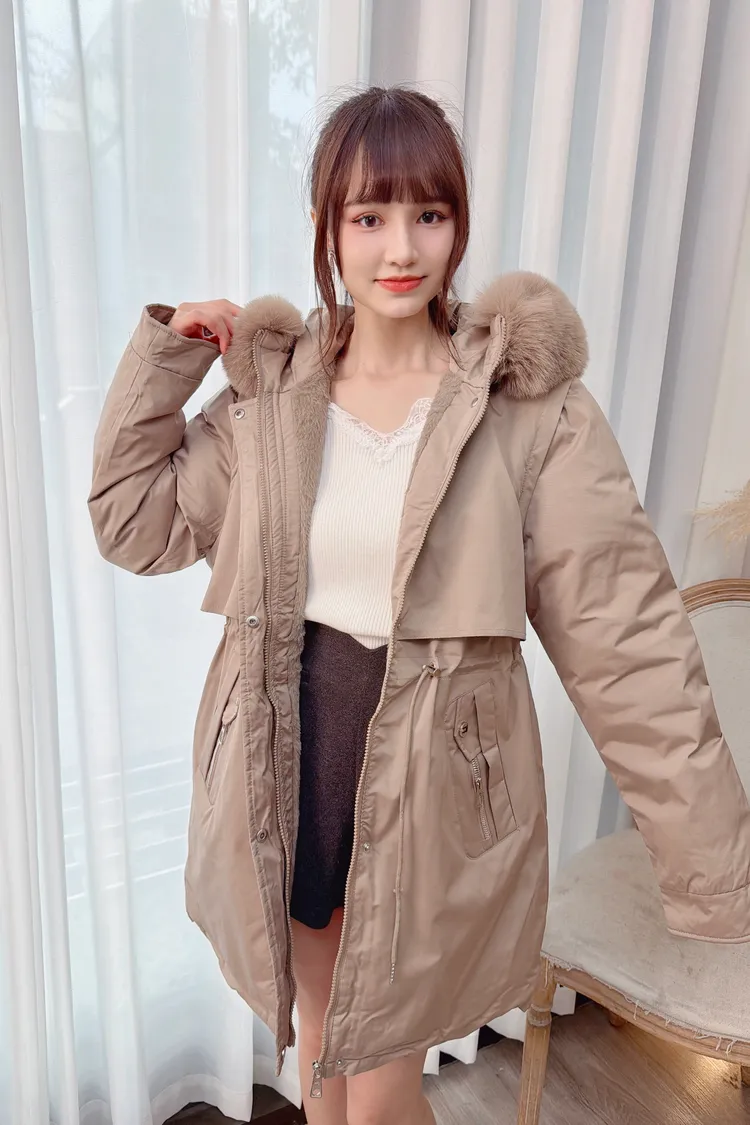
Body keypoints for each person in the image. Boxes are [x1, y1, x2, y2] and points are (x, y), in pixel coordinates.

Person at [87, 86, 750, 1125]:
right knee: (320, 1053)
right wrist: (171, 354)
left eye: (428, 214)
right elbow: (132, 522)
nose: (401, 248)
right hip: (288, 756)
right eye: (369, 216)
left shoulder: (527, 410)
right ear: (329, 228)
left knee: (385, 1086)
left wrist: (710, 863)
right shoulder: (276, 393)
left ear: (458, 224)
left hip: (435, 780)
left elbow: (628, 640)